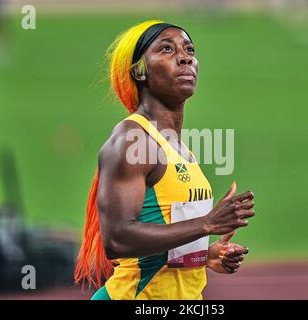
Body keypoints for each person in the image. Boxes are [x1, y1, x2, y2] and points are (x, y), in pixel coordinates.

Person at [74, 20, 256, 300]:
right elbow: (117, 239)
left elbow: (162, 238)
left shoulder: (180, 149)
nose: (185, 57)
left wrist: (203, 256)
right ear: (139, 72)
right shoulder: (133, 139)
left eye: (189, 50)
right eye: (167, 49)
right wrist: (207, 224)